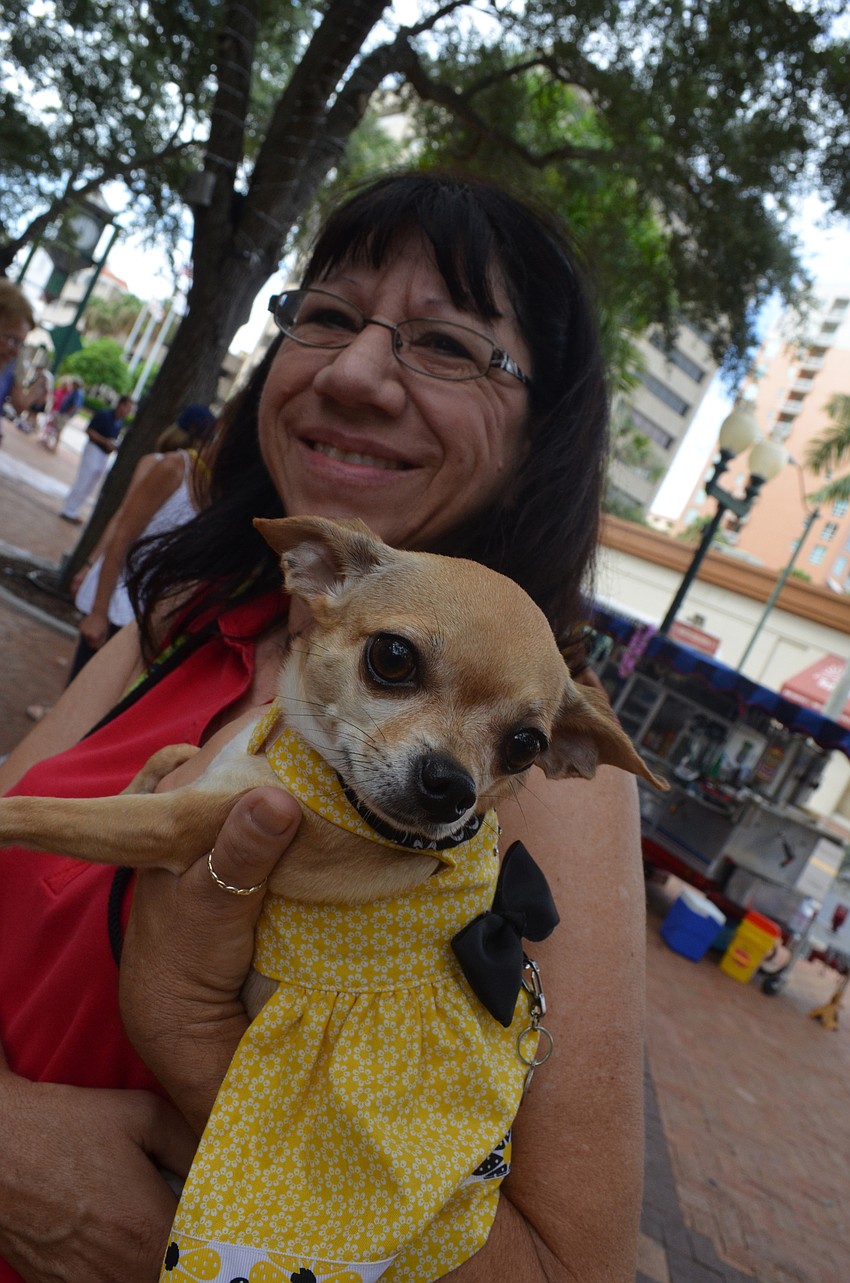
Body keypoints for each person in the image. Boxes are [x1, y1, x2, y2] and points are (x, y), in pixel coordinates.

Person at [0, 173, 645, 1283]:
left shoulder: (523, 775)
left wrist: (195, 1043)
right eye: (331, 317)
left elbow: (566, 1266)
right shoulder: (181, 615)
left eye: (447, 345)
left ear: (542, 432)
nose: (352, 373)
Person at [67, 403, 216, 680]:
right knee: (88, 669)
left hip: (143, 610)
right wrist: (91, 564)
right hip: (117, 588)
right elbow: (123, 521)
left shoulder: (209, 486)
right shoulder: (162, 464)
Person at [60, 393, 134, 523]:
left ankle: (74, 509)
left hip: (103, 455)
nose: (128, 412)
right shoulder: (104, 415)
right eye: (127, 408)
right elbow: (89, 430)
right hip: (94, 450)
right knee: (83, 480)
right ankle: (68, 509)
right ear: (121, 405)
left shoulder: (119, 422)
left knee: (90, 484)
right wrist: (105, 441)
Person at [0, 280, 35, 442]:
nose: (15, 351)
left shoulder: (9, 366)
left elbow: (19, 403)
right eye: (12, 340)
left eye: (21, 344)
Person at [40, 376, 85, 452]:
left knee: (59, 430)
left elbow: (75, 405)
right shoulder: (74, 392)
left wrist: (67, 414)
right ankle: (51, 444)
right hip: (63, 413)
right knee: (56, 428)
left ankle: (55, 447)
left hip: (65, 414)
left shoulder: (77, 393)